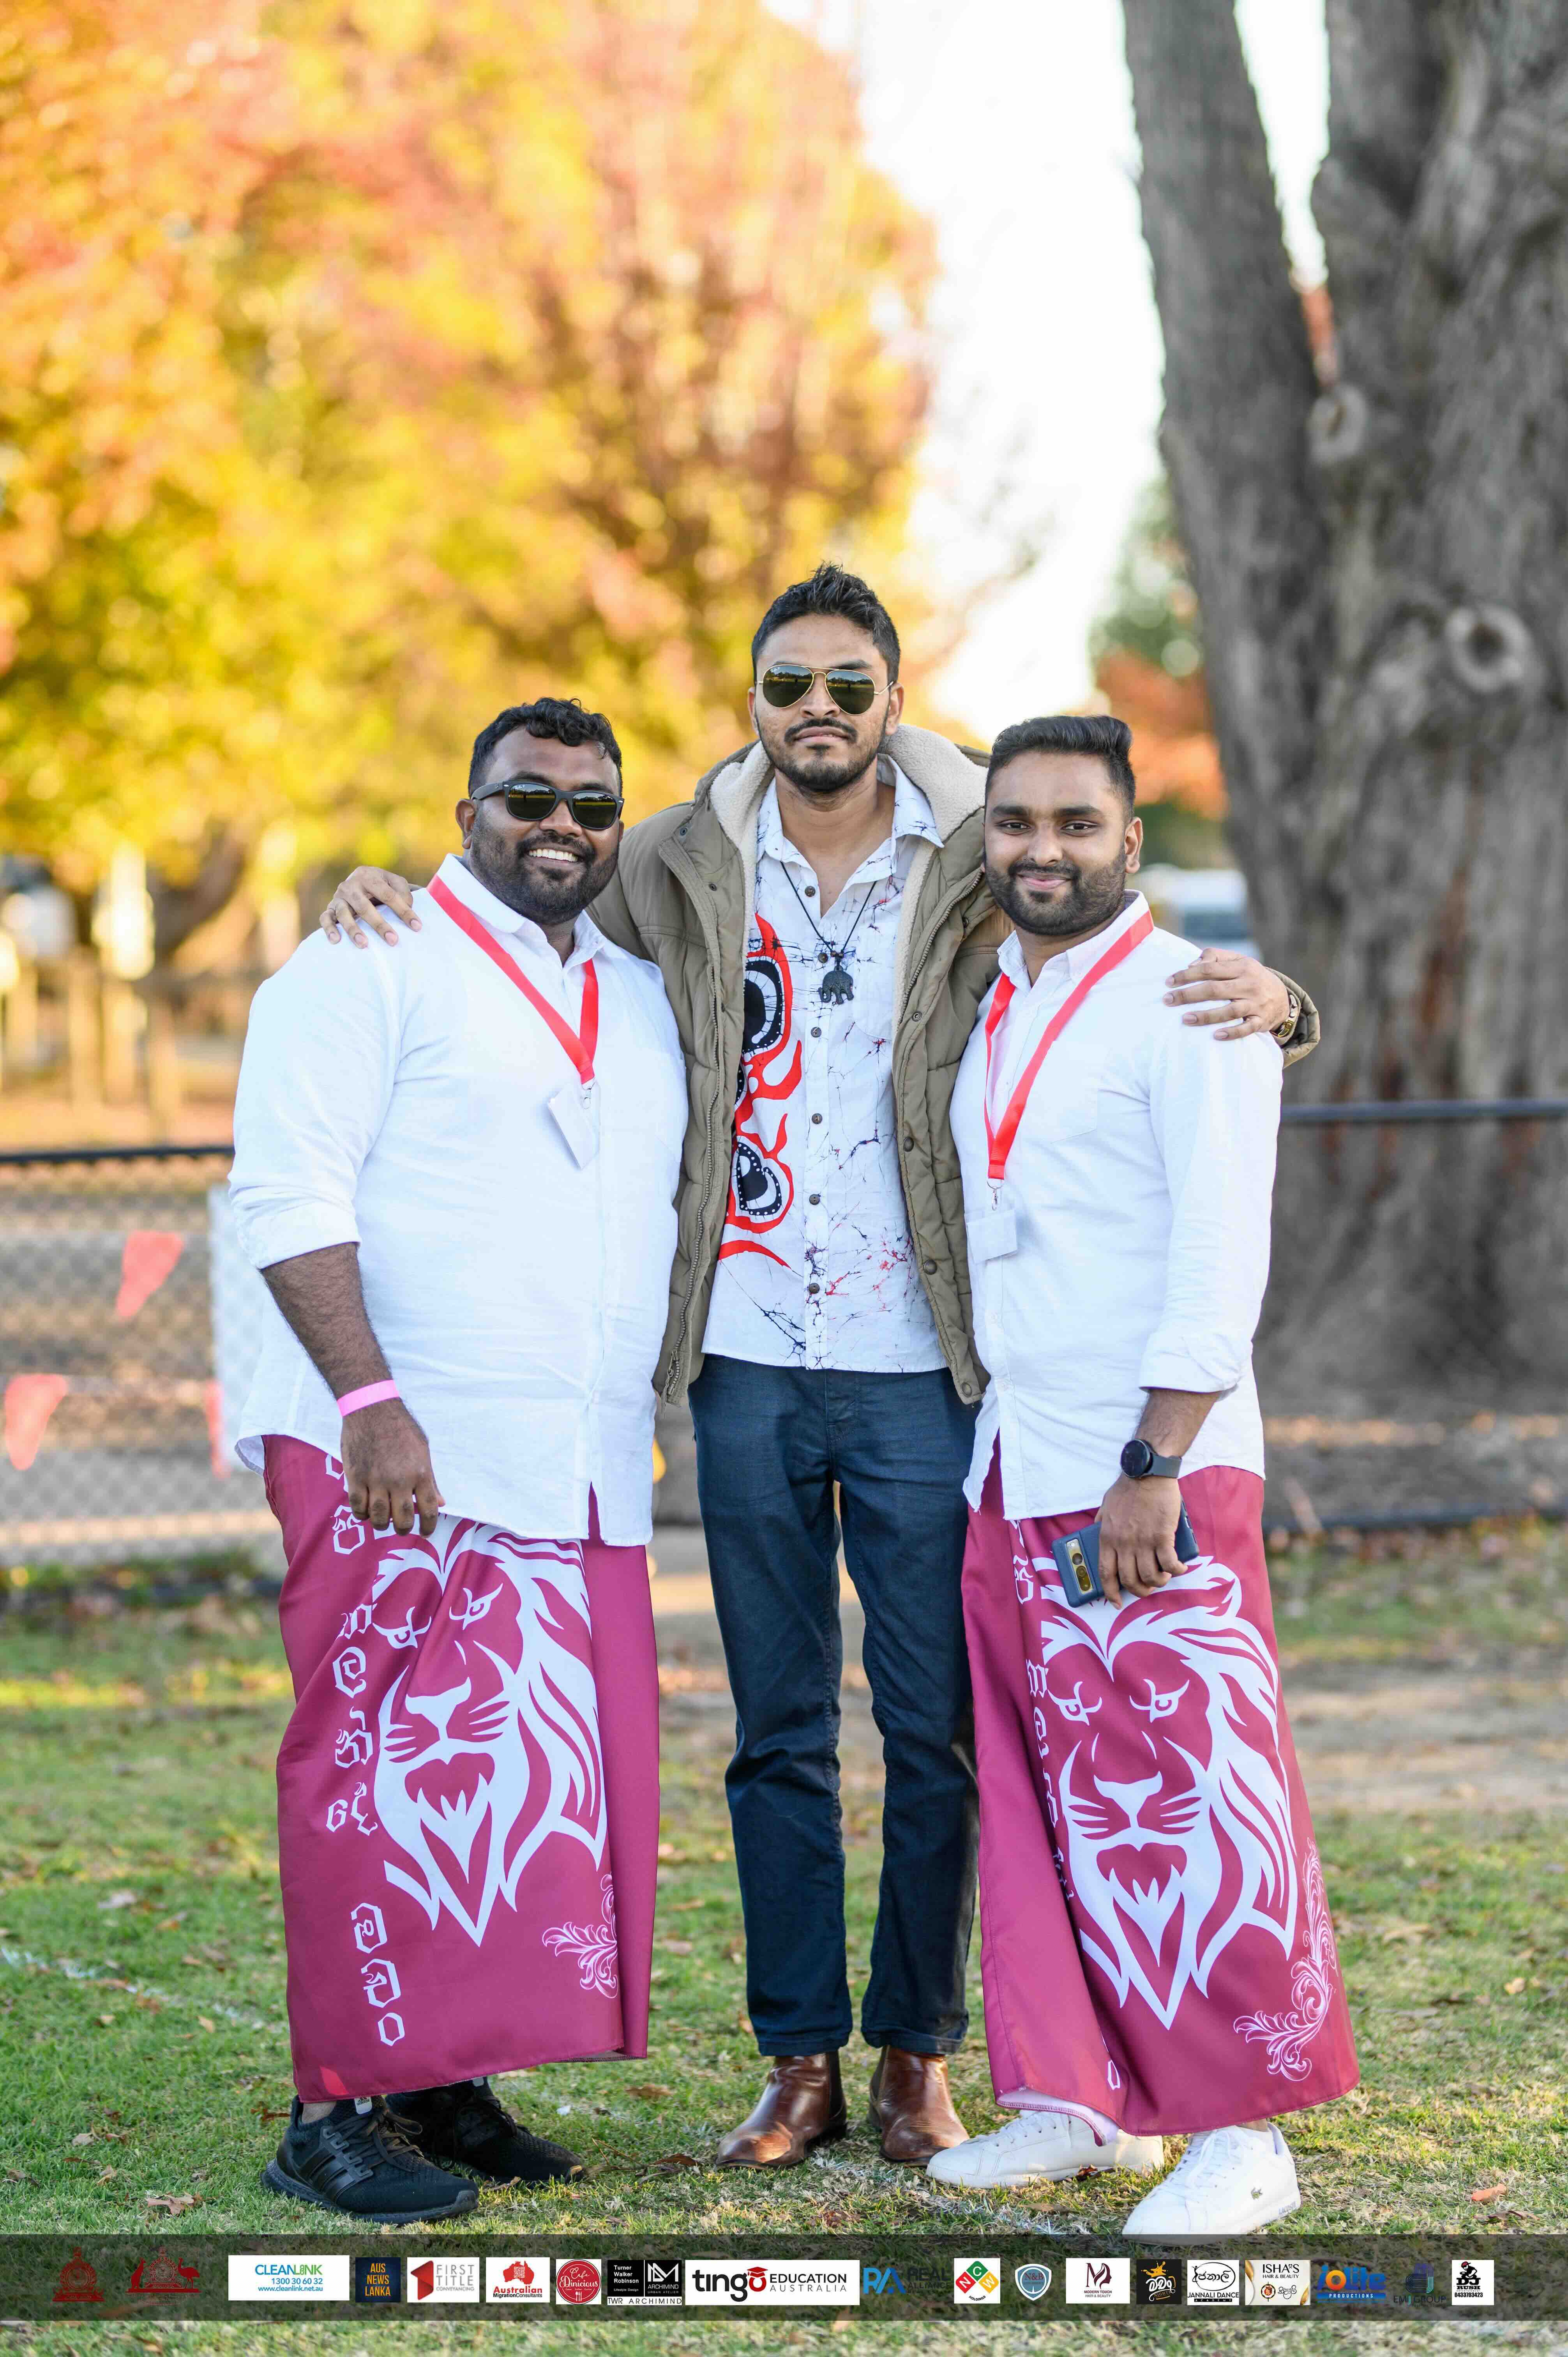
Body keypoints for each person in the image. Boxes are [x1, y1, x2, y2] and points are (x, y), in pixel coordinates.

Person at [318, 565, 1319, 2170]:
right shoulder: (679, 866)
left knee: (934, 1732)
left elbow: (1126, 959)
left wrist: (1283, 1005)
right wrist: (381, 883)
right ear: (755, 701)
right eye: (790, 687)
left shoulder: (984, 863)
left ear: (893, 699)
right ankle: (798, 2063)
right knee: (775, 1728)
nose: (819, 714)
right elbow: (522, 880)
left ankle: (920, 2055)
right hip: (742, 1355)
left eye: (850, 687)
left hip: (929, 1361)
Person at [229, 696, 686, 2222]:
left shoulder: (631, 988)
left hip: (562, 1460)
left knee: (512, 1780)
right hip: (395, 1448)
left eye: (589, 807)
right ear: (463, 809)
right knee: (372, 1770)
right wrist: (370, 1401)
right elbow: (285, 1201)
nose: (559, 827)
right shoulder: (362, 962)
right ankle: (331, 2110)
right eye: (527, 799)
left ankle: (434, 2076)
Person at [928, 714, 1357, 2234]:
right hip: (1018, 1461)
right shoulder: (1001, 1000)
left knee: (1193, 1797)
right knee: (1048, 1805)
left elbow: (1216, 1249)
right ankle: (1074, 2105)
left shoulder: (1195, 1003)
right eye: (1015, 821)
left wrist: (1151, 1461)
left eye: (1076, 823)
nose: (1042, 848)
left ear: (1131, 837)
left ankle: (1245, 2130)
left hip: (1145, 1472)